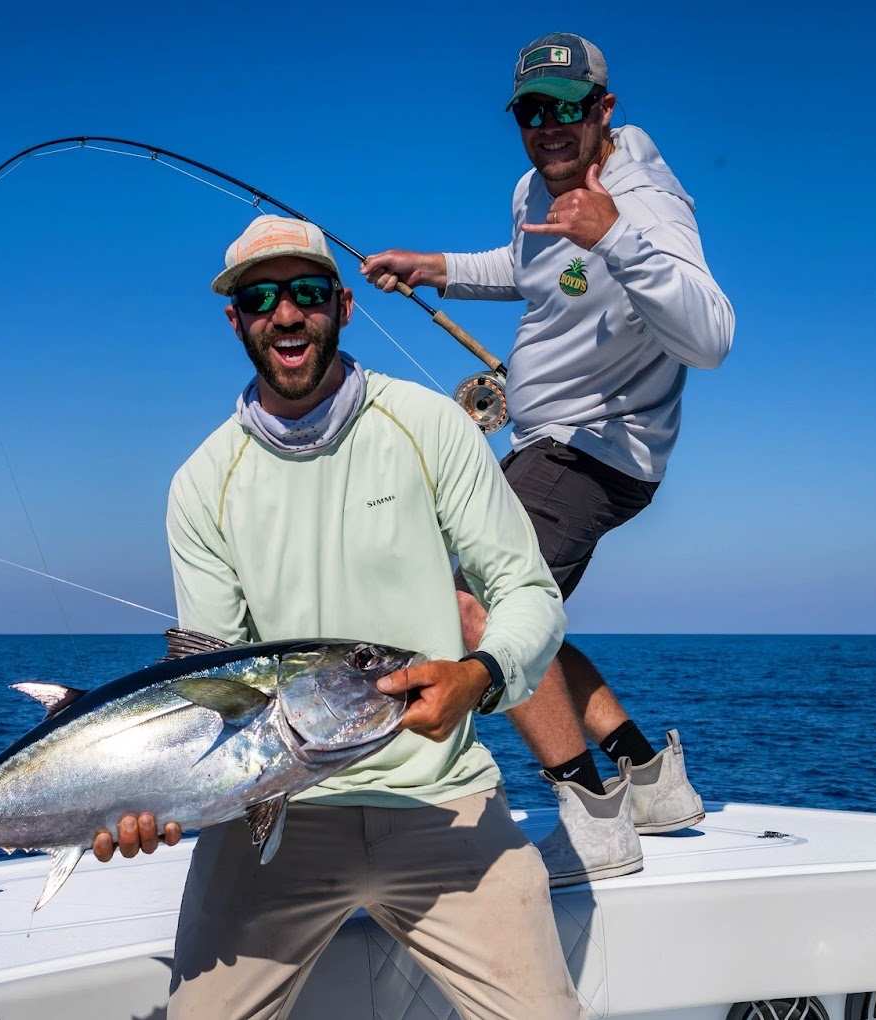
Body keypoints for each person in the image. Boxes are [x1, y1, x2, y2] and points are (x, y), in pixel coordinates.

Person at [94, 213, 585, 1019]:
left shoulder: (431, 427)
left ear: (343, 305)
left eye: (306, 293)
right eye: (261, 299)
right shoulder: (201, 483)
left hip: (442, 801)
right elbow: (213, 684)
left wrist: (479, 677)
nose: (285, 315)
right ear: (236, 320)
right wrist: (150, 798)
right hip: (276, 815)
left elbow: (527, 593)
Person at [361, 32, 735, 886]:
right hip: (549, 445)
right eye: (532, 111)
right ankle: (650, 781)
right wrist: (439, 269)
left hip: (594, 452)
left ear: (602, 111)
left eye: (568, 110)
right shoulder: (534, 187)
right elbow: (529, 264)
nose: (548, 127)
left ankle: (591, 818)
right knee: (528, 613)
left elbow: (712, 337)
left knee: (472, 608)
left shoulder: (641, 205)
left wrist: (617, 241)